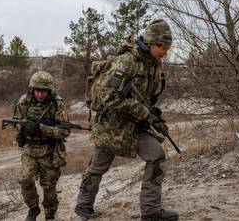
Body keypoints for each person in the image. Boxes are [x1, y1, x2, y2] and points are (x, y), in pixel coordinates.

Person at [75, 19, 179, 221]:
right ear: (150, 43)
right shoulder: (127, 61)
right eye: (162, 46)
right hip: (112, 126)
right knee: (98, 166)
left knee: (157, 155)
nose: (165, 51)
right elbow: (108, 96)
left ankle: (150, 211)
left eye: (168, 46)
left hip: (135, 125)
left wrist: (153, 114)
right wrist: (141, 110)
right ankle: (83, 205)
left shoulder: (153, 64)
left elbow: (144, 97)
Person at [12, 71, 70, 221]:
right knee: (25, 180)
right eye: (37, 91)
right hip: (29, 149)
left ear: (49, 91)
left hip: (49, 151)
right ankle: (33, 208)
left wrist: (41, 128)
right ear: (32, 89)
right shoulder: (24, 102)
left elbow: (64, 131)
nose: (40, 95)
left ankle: (50, 215)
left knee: (49, 187)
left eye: (44, 91)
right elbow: (16, 122)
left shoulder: (57, 104)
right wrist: (24, 128)